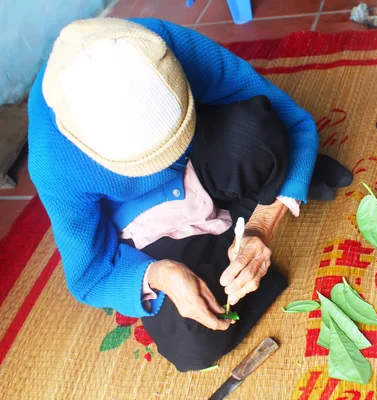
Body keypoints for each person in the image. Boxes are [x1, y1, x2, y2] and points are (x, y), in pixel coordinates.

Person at [28, 18, 352, 372]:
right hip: (149, 228)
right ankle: (279, 179)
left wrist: (262, 224)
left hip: (205, 163)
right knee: (192, 339)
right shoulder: (53, 158)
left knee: (254, 132)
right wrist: (160, 274)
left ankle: (278, 183)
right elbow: (89, 273)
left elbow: (291, 118)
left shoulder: (159, 46)